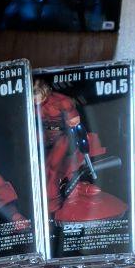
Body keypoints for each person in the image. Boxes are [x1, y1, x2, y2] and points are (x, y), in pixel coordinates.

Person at [34, 78, 126, 222]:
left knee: (51, 168)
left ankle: (52, 205)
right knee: (42, 169)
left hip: (63, 136)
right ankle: (49, 202)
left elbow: (77, 127)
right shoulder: (32, 104)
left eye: (36, 94)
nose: (34, 98)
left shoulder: (62, 102)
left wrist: (83, 145)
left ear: (44, 91)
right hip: (43, 137)